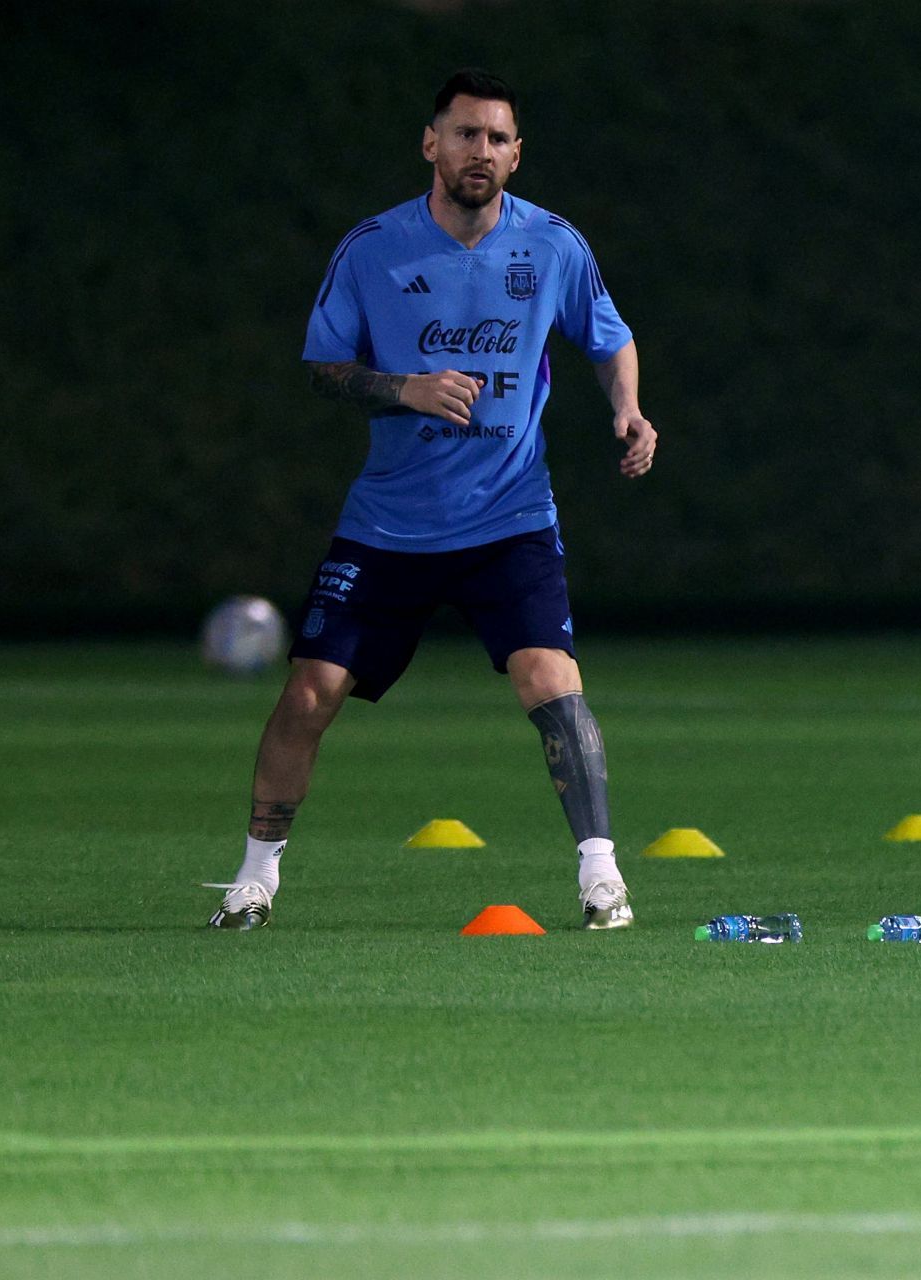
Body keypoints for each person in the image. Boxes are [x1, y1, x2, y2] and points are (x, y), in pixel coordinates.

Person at [206, 68, 656, 931]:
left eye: (495, 139)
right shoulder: (373, 248)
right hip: (388, 524)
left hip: (510, 517)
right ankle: (255, 877)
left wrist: (628, 407)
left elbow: (611, 335)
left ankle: (602, 878)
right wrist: (404, 389)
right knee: (309, 693)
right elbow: (324, 369)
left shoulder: (554, 245)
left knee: (552, 681)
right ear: (431, 144)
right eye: (463, 134)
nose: (478, 151)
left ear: (516, 156)